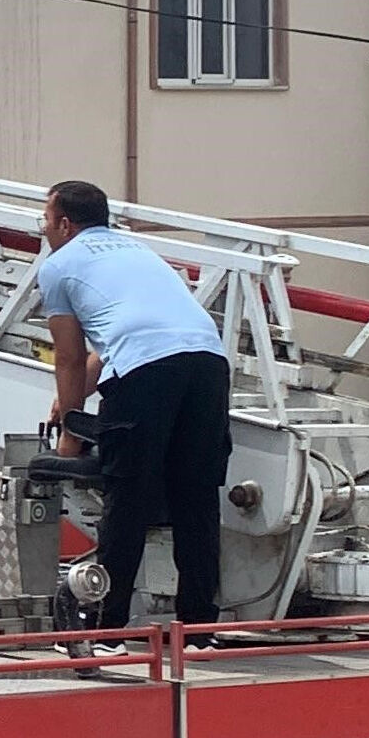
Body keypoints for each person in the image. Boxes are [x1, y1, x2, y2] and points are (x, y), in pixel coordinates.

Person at [36, 179, 231, 625]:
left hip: (146, 375)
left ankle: (107, 624)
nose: (44, 230)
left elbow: (67, 357)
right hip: (206, 363)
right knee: (197, 498)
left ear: (65, 224)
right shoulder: (139, 252)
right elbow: (116, 340)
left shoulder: (59, 264)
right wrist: (75, 399)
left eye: (45, 221)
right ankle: (199, 625)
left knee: (129, 496)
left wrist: (70, 434)